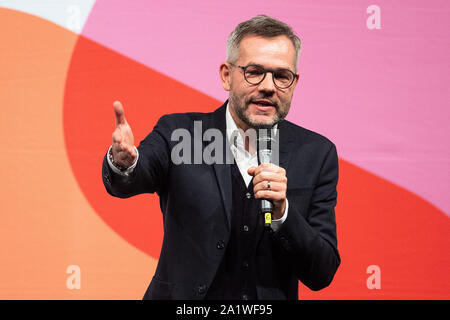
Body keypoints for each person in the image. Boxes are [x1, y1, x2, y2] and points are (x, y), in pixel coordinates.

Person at [102, 15, 340, 300]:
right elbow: (130, 180)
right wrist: (125, 163)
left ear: (294, 83)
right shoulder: (180, 133)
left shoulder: (316, 153)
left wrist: (283, 214)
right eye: (254, 72)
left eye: (281, 76)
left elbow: (321, 272)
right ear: (227, 75)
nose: (267, 86)